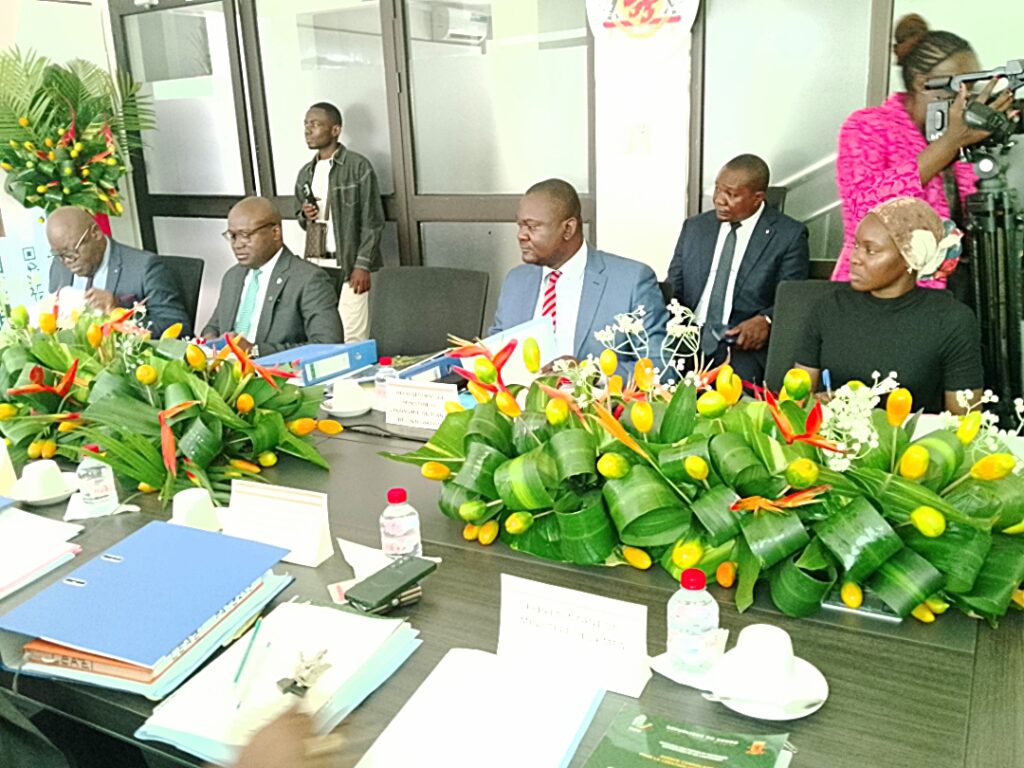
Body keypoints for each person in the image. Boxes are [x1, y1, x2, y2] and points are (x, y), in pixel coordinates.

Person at [832, 14, 1015, 289]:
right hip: (881, 294)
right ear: (922, 83)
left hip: (955, 289)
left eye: (974, 85)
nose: (969, 95)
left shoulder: (962, 132)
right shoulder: (868, 126)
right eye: (962, 85)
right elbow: (865, 208)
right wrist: (949, 145)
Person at [795, 197, 982, 414]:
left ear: (910, 258)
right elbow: (796, 402)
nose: (854, 258)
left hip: (914, 436)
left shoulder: (951, 320)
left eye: (871, 250)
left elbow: (964, 420)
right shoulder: (829, 308)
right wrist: (817, 404)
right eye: (856, 246)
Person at [490, 178, 668, 368]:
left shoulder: (630, 281)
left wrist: (587, 373)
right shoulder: (516, 281)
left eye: (532, 227)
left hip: (592, 388)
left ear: (568, 229)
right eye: (520, 225)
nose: (521, 235)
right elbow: (493, 357)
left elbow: (661, 366)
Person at [667, 154, 809, 382]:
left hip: (741, 343)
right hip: (689, 337)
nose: (719, 200)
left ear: (757, 198)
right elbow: (674, 287)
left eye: (731, 194)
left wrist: (766, 320)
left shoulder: (788, 235)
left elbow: (792, 300)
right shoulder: (695, 228)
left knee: (739, 393)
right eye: (717, 189)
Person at [202, 197, 343, 355]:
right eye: (233, 236)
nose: (237, 244)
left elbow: (327, 345)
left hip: (273, 368)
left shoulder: (309, 279)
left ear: (275, 232)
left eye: (245, 235)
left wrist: (254, 351)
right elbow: (213, 327)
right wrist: (210, 340)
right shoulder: (232, 277)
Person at [295, 102, 385, 343]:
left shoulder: (358, 167)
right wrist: (305, 215)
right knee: (322, 334)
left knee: (352, 337)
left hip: (349, 265)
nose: (308, 130)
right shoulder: (306, 173)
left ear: (335, 130)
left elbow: (373, 221)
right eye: (306, 124)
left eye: (315, 124)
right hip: (316, 265)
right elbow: (301, 219)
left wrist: (363, 265)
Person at [46, 207, 191, 337]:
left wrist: (117, 312)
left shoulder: (144, 267)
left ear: (95, 233)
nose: (67, 261)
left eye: (72, 252)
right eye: (59, 255)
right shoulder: (59, 268)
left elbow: (179, 327)